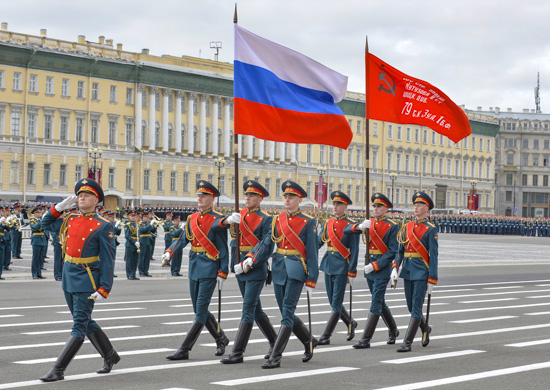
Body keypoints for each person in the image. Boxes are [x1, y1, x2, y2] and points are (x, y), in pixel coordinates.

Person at [39, 178, 118, 382]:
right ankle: (110, 355)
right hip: (68, 274)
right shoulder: (70, 219)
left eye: (87, 195)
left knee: (79, 326)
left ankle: (58, 369)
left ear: (96, 200)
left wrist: (104, 288)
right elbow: (43, 223)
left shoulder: (103, 226)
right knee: (83, 321)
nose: (82, 197)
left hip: (87, 278)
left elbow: (109, 260)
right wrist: (58, 208)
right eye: (80, 195)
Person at [161, 181, 230, 360]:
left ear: (212, 198)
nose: (199, 198)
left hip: (209, 267)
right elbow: (183, 239)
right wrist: (170, 252)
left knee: (200, 311)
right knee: (199, 310)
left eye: (204, 195)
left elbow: (223, 248)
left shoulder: (218, 218)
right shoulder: (192, 219)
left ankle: (184, 349)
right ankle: (221, 338)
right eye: (198, 195)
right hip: (194, 266)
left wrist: (223, 271)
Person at [261, 180, 319, 369]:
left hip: (295, 269)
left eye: (291, 197)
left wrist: (312, 279)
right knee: (287, 312)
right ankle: (309, 341)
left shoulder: (308, 221)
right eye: (285, 196)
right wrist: (252, 258)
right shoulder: (277, 219)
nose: (287, 199)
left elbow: (312, 253)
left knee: (287, 313)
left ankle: (276, 356)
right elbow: (268, 244)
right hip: (279, 268)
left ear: (299, 199)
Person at [221, 180, 277, 364]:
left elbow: (266, 245)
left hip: (255, 268)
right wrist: (229, 221)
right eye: (246, 194)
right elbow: (233, 242)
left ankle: (237, 352)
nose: (247, 198)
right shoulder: (239, 215)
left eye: (252, 195)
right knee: (256, 310)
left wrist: (249, 260)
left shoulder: (266, 218)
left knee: (247, 310)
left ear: (260, 199)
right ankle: (276, 343)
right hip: (239, 268)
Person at [349, 193, 400, 349]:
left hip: (381, 268)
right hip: (369, 266)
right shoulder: (368, 223)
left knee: (376, 302)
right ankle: (393, 329)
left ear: (386, 209)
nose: (376, 209)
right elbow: (346, 230)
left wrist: (376, 265)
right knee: (379, 301)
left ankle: (366, 339)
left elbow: (392, 251)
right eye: (375, 206)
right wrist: (360, 226)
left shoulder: (392, 226)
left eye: (379, 206)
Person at [392, 191, 438, 352]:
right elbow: (400, 251)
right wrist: (395, 267)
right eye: (415, 205)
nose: (416, 207)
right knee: (411, 307)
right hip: (408, 270)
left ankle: (407, 342)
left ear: (426, 208)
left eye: (419, 205)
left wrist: (432, 278)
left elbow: (434, 255)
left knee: (417, 307)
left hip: (421, 271)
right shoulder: (407, 227)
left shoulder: (431, 229)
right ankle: (425, 328)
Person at [316, 191, 359, 345]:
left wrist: (352, 270)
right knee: (333, 302)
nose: (335, 206)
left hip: (342, 265)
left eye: (338, 204)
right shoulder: (328, 223)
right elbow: (319, 242)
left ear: (345, 206)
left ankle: (326, 335)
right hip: (328, 264)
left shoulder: (351, 225)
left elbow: (354, 250)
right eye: (334, 203)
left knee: (336, 303)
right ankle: (350, 322)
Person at [29, 206, 47, 279]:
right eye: (38, 212)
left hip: (42, 240)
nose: (40, 213)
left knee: (40, 258)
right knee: (35, 258)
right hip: (36, 240)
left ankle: (39, 273)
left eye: (40, 212)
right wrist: (41, 222)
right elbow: (35, 227)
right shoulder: (32, 220)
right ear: (34, 213)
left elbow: (45, 228)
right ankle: (34, 274)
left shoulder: (41, 220)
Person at [123, 210, 140, 280]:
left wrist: (138, 242)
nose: (133, 217)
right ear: (129, 217)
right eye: (132, 216)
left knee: (135, 260)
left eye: (134, 216)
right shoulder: (128, 225)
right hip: (130, 244)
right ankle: (129, 274)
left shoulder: (137, 225)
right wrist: (134, 242)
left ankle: (133, 274)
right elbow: (127, 236)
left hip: (136, 244)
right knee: (129, 260)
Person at [138, 211, 153, 277]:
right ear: (143, 217)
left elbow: (152, 230)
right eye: (146, 217)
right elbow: (143, 230)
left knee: (147, 257)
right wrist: (149, 225)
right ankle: (141, 271)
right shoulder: (140, 223)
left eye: (148, 217)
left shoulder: (148, 223)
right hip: (143, 241)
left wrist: (154, 226)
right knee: (142, 257)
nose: (147, 219)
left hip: (148, 241)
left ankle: (146, 271)